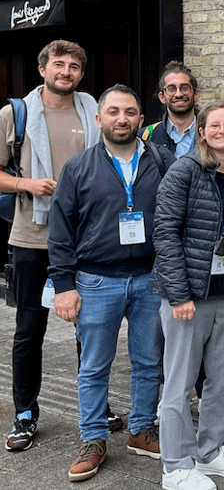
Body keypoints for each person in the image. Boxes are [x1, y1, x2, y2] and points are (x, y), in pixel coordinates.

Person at [48, 85, 175, 481]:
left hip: (150, 280)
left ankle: (140, 429)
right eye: (115, 112)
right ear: (99, 119)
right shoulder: (78, 168)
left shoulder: (162, 160)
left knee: (149, 361)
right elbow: (60, 231)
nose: (123, 119)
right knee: (93, 366)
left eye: (131, 112)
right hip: (96, 281)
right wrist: (64, 285)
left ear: (142, 119)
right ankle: (93, 438)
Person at [0, 39, 100, 452]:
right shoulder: (15, 113)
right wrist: (25, 183)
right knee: (29, 329)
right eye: (59, 64)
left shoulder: (92, 111)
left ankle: (94, 407)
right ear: (43, 69)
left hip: (86, 237)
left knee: (91, 330)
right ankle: (25, 412)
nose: (67, 71)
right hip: (33, 237)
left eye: (74, 65)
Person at [152, 101, 224, 490]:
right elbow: (165, 232)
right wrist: (178, 295)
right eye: (215, 124)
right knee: (178, 382)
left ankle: (210, 453)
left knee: (221, 379)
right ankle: (176, 465)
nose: (223, 130)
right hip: (188, 294)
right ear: (202, 131)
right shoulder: (185, 171)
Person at [141, 62, 200, 156]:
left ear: (196, 94)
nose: (178, 94)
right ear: (162, 97)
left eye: (184, 88)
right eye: (171, 89)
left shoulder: (211, 133)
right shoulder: (146, 136)